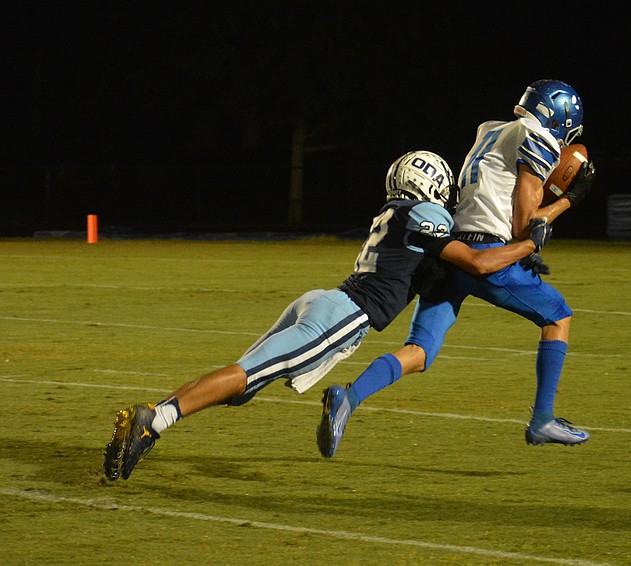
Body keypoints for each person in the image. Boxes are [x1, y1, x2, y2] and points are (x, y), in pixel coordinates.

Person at [103, 150, 553, 480]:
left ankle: (156, 418)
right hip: (340, 315)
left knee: (244, 387)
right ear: (434, 186)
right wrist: (531, 240)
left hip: (323, 299)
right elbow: (477, 263)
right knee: (245, 376)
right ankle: (154, 420)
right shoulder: (427, 213)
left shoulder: (394, 210)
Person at [317, 80, 596, 458]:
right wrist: (570, 200)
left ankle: (348, 396)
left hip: (451, 250)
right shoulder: (538, 137)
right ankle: (543, 419)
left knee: (419, 352)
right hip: (487, 253)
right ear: (561, 119)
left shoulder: (490, 130)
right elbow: (523, 225)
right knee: (558, 317)